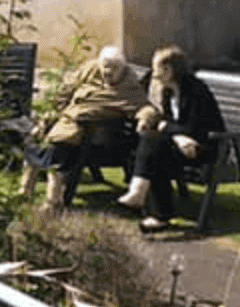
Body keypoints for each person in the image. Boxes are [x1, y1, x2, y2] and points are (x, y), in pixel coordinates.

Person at [117, 45, 224, 233]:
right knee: (153, 144)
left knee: (154, 144)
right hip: (181, 145)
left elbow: (194, 129)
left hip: (203, 147)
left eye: (156, 69)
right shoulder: (168, 92)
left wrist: (171, 131)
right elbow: (168, 123)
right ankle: (155, 212)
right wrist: (176, 136)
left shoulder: (196, 92)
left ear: (169, 70)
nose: (154, 74)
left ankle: (148, 202)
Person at [34, 45, 149, 208]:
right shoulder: (89, 73)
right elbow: (65, 92)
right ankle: (28, 193)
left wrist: (145, 119)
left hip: (97, 140)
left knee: (58, 148)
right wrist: (52, 113)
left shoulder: (129, 88)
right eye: (105, 67)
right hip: (69, 127)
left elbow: (146, 107)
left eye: (114, 68)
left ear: (122, 69)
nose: (108, 72)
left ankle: (52, 201)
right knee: (38, 137)